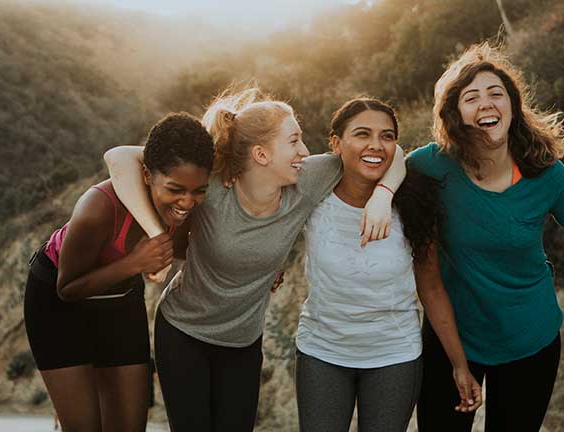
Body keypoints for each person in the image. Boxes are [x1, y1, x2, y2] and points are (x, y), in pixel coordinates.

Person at [103, 88, 402, 432]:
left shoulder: (307, 180)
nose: (304, 151)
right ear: (261, 154)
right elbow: (119, 158)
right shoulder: (212, 185)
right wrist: (157, 236)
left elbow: (388, 154)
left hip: (243, 343)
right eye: (294, 141)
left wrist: (383, 195)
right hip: (184, 333)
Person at [408, 42, 564, 432]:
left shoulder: (548, 174)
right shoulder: (433, 165)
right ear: (455, 114)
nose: (487, 103)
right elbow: (382, 163)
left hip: (531, 342)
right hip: (452, 337)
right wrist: (380, 198)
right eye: (471, 97)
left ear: (512, 104)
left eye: (496, 93)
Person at [294, 97, 482, 432]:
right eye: (362, 134)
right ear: (337, 144)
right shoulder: (313, 193)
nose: (376, 145)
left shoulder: (414, 205)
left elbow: (432, 287)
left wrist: (459, 364)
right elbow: (269, 216)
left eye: (387, 136)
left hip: (393, 355)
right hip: (322, 350)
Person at [24, 112, 213, 432]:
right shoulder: (98, 207)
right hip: (57, 305)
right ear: (147, 174)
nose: (187, 201)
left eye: (199, 191)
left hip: (120, 300)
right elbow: (67, 288)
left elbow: (192, 251)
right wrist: (134, 264)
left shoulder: (183, 210)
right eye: (175, 189)